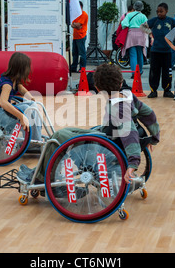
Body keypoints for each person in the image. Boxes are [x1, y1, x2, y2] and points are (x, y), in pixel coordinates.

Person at [16, 63, 160, 186]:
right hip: (106, 135)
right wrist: (153, 137)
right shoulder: (128, 95)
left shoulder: (119, 109)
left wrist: (133, 163)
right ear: (121, 82)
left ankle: (40, 177)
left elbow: (129, 133)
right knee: (67, 131)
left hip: (103, 143)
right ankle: (42, 172)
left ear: (97, 88)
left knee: (56, 137)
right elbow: (149, 114)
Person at [0, 52, 41, 141]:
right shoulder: (7, 84)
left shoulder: (14, 80)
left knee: (32, 105)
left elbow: (21, 88)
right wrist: (21, 116)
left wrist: (32, 99)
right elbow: (3, 103)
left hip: (2, 112)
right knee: (25, 107)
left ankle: (34, 137)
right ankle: (33, 140)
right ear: (21, 69)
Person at [147, 3, 175, 98]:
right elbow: (142, 26)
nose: (159, 13)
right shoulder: (154, 20)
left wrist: (174, 39)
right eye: (157, 11)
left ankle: (167, 90)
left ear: (166, 11)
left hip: (167, 52)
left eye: (161, 11)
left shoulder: (171, 21)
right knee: (154, 71)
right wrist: (150, 34)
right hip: (155, 51)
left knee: (167, 72)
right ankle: (153, 90)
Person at [121, 0, 150, 78]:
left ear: (134, 7)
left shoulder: (129, 15)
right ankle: (139, 71)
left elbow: (124, 23)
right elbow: (146, 27)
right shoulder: (143, 16)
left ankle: (134, 72)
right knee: (140, 53)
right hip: (141, 35)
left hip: (131, 35)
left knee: (132, 54)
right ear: (142, 8)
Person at [70, 1, 88, 74]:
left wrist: (75, 25)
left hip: (81, 36)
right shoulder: (76, 14)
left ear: (80, 7)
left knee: (82, 53)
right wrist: (76, 25)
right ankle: (74, 67)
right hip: (75, 36)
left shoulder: (84, 14)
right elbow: (73, 24)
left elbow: (78, 25)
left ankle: (82, 68)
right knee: (75, 53)